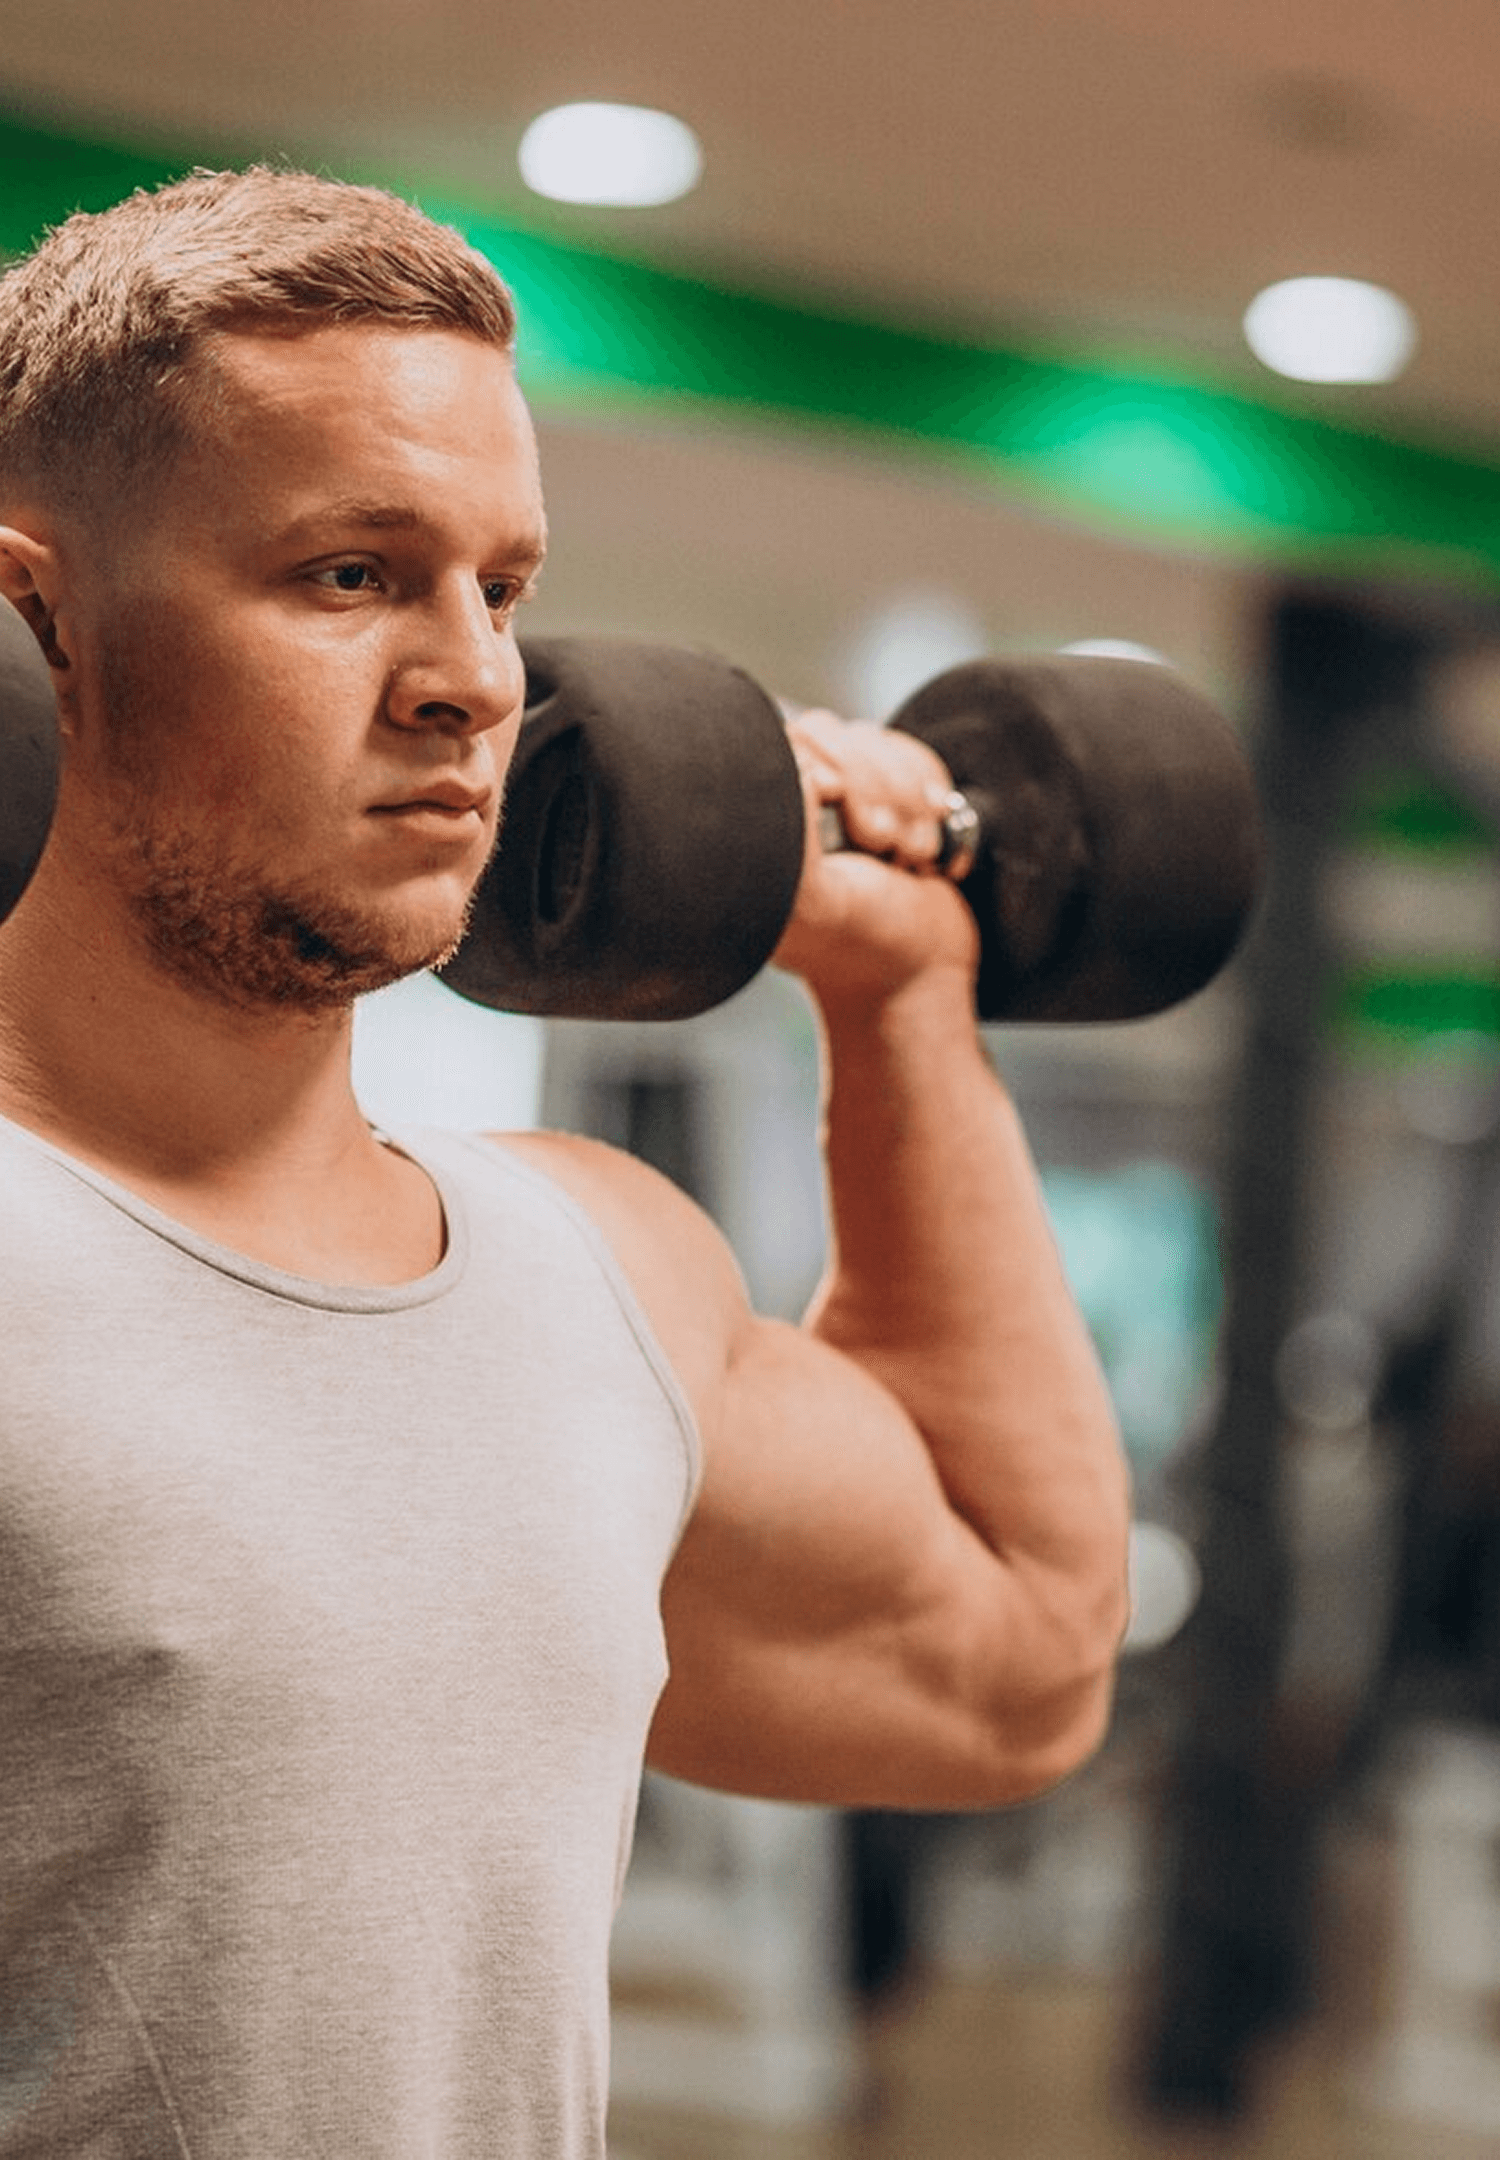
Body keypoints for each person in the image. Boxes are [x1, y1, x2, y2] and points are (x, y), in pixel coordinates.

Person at [0, 167, 1130, 2157]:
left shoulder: (591, 1271)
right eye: (349, 575)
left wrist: (898, 1009)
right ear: (40, 625)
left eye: (501, 587)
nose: (476, 679)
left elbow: (1012, 1663)